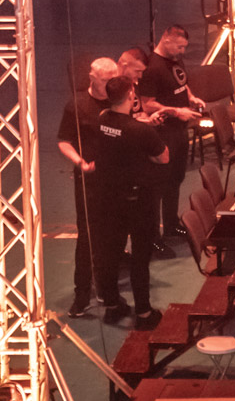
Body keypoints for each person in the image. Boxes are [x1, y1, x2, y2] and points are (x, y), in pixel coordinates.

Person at [89, 75, 168, 328]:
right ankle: (144, 312)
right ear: (131, 96)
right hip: (138, 202)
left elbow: (120, 128)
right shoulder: (141, 131)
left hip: (108, 198)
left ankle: (112, 306)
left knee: (110, 254)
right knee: (140, 257)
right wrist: (147, 129)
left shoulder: (102, 120)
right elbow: (163, 157)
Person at [56, 57, 120, 317]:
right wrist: (79, 162)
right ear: (92, 78)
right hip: (90, 181)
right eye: (106, 81)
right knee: (87, 238)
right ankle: (82, 294)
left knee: (113, 238)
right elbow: (64, 141)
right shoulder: (77, 106)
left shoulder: (120, 100)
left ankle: (108, 289)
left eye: (114, 80)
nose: (111, 86)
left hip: (118, 179)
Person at [137, 24, 205, 253]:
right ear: (166, 39)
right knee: (158, 185)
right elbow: (147, 104)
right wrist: (176, 112)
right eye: (179, 47)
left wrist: (192, 98)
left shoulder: (175, 60)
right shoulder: (152, 68)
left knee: (175, 179)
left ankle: (171, 224)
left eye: (184, 47)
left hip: (179, 132)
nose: (182, 52)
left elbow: (182, 85)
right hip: (163, 132)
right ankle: (153, 236)